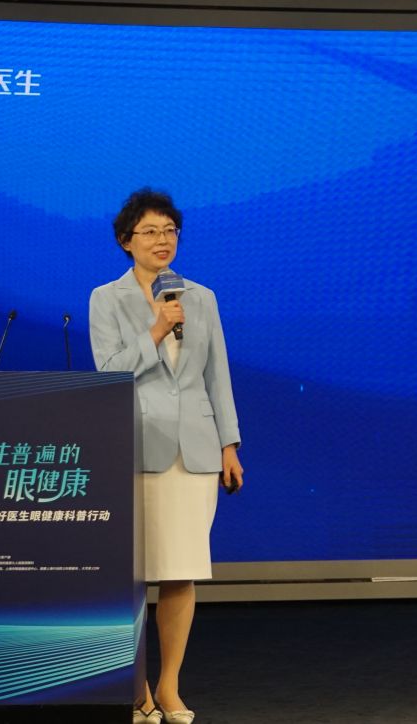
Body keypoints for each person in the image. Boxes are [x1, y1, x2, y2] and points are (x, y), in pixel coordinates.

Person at [89, 187, 244, 724]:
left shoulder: (201, 297)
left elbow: (217, 375)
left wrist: (229, 443)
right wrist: (155, 329)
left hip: (194, 451)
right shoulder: (106, 298)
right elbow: (109, 370)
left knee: (181, 571)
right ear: (125, 240)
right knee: (131, 577)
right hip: (134, 447)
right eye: (151, 232)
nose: (163, 240)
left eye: (170, 231)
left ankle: (169, 686)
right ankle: (135, 690)